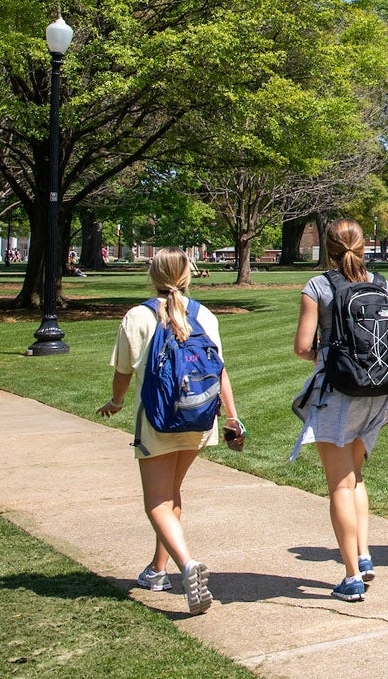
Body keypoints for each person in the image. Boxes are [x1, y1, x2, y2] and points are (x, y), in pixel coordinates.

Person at [97, 247, 238, 615]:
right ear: (187, 275)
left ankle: (187, 564)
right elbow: (219, 368)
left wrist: (115, 402)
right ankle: (157, 570)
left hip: (157, 421)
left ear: (153, 275)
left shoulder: (137, 316)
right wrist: (231, 416)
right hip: (198, 418)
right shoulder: (203, 314)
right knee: (171, 493)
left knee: (156, 501)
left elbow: (123, 371)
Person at [293, 219, 388, 602]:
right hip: (379, 392)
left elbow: (303, 346)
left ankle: (352, 576)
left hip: (339, 392)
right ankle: (365, 554)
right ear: (364, 245)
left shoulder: (319, 287)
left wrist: (327, 357)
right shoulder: (383, 284)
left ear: (328, 248)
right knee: (355, 476)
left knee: (339, 483)